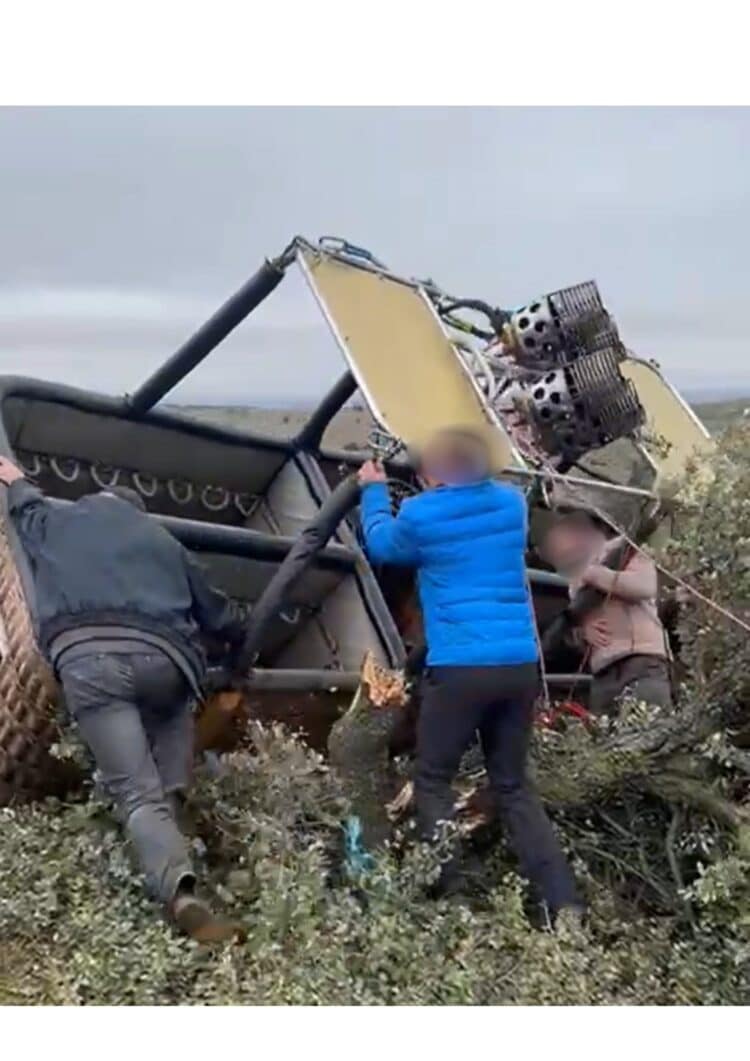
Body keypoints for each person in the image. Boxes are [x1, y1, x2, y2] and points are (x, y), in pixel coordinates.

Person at [0, 455, 246, 942]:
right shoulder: (164, 542)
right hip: (168, 666)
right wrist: (237, 661)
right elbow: (221, 617)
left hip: (92, 663)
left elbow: (20, 499)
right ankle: (180, 838)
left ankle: (181, 893)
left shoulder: (58, 519)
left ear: (96, 502)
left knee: (136, 791)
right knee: (169, 782)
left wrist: (10, 473)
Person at [357, 427, 581, 922]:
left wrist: (373, 489)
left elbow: (382, 547)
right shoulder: (510, 506)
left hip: (460, 667)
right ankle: (562, 904)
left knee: (433, 779)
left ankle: (453, 900)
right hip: (518, 667)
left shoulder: (419, 513)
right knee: (514, 785)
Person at [539, 505, 672, 715]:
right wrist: (584, 634)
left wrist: (596, 575)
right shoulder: (574, 576)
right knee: (609, 740)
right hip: (603, 672)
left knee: (650, 726)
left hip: (640, 661)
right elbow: (575, 623)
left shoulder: (627, 547)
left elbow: (644, 586)